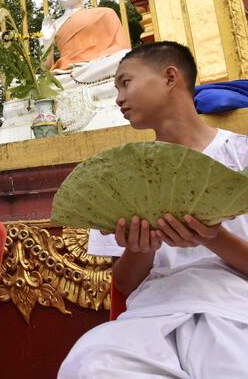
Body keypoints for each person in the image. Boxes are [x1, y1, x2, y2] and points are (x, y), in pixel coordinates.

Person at [59, 41, 248, 378]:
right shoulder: (116, 175)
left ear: (170, 77)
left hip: (234, 306)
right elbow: (125, 283)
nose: (118, 98)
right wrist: (139, 249)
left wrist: (213, 238)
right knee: (88, 364)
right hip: (152, 313)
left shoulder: (241, 156)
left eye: (125, 82)